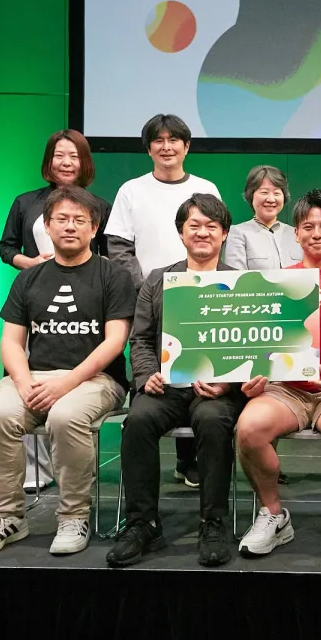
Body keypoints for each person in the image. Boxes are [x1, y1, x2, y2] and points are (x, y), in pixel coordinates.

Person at [0, 187, 134, 557]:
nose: (70, 226)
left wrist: (66, 384)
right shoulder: (28, 278)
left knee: (65, 416)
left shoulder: (113, 276)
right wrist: (24, 383)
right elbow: (12, 343)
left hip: (95, 380)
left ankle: (74, 516)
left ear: (94, 228)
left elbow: (114, 342)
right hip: (35, 378)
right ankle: (8, 517)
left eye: (79, 220)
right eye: (62, 219)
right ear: (47, 225)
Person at [105, 194, 245, 568]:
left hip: (216, 391)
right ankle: (142, 523)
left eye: (211, 226)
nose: (202, 233)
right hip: (165, 387)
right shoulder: (158, 279)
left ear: (224, 233)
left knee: (213, 421)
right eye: (193, 225)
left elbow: (249, 346)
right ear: (181, 233)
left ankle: (212, 522)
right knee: (137, 420)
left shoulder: (242, 282)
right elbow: (140, 338)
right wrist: (146, 376)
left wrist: (228, 384)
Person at [235, 190, 321, 558]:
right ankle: (273, 514)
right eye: (307, 227)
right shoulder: (277, 281)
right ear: (296, 233)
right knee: (249, 429)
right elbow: (261, 341)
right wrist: (257, 373)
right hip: (287, 390)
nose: (316, 234)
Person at [105, 114, 221, 489]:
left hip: (201, 299)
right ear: (149, 148)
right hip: (150, 298)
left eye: (174, 140)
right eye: (159, 140)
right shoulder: (131, 190)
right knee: (156, 383)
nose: (166, 146)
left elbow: (217, 239)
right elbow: (119, 247)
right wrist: (150, 290)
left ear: (187, 146)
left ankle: (189, 462)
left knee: (200, 379)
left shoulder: (205, 187)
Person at [0, 130, 113, 493]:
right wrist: (31, 265)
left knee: (75, 404)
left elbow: (106, 253)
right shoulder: (25, 202)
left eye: (74, 156)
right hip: (36, 298)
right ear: (48, 161)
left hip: (84, 303)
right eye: (59, 155)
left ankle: (76, 473)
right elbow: (6, 248)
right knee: (23, 384)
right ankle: (35, 470)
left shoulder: (99, 205)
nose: (66, 162)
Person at [224, 165, 303, 271]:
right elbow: (236, 277)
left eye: (276, 193)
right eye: (264, 192)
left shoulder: (296, 234)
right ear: (251, 195)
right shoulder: (238, 233)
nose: (271, 199)